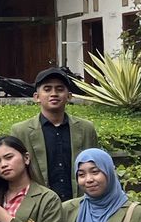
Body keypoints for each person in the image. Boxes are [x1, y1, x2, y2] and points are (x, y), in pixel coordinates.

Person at [9, 67, 99, 201]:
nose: (54, 93)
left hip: (80, 205)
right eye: (47, 89)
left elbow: (96, 166)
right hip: (39, 206)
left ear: (69, 96)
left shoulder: (86, 129)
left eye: (60, 89)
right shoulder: (20, 131)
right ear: (36, 97)